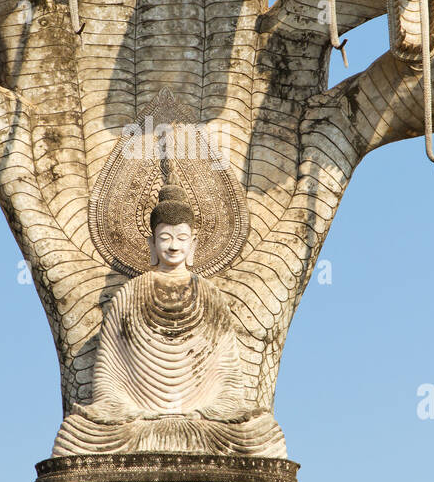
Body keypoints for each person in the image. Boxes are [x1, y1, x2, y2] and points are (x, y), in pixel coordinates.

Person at [53, 183, 285, 456]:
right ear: (152, 243)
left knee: (264, 437)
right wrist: (124, 409)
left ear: (193, 243)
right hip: (137, 422)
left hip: (205, 422)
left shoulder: (211, 296)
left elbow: (229, 377)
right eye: (165, 238)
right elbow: (108, 376)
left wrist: (209, 409)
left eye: (181, 238)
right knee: (73, 435)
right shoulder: (129, 295)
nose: (174, 246)